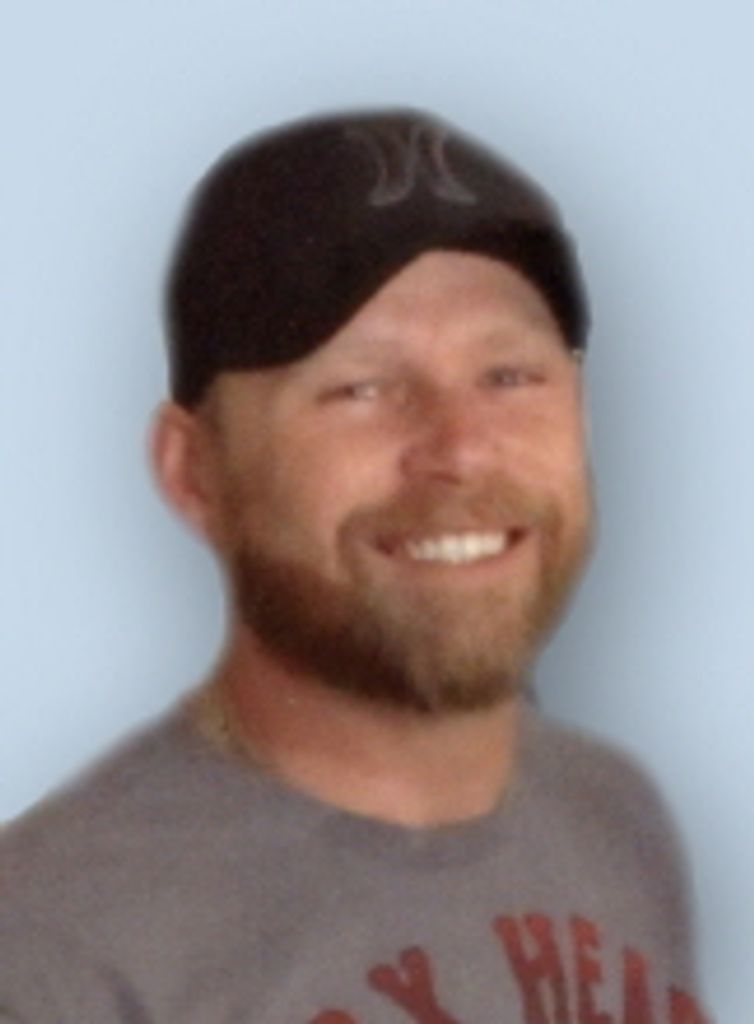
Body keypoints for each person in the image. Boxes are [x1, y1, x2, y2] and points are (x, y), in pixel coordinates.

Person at [0, 109, 710, 1023]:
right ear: (194, 471)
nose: (461, 450)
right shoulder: (51, 945)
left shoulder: (617, 820)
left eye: (509, 375)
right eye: (362, 387)